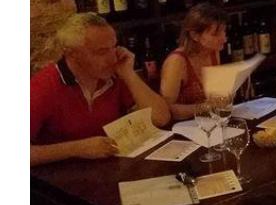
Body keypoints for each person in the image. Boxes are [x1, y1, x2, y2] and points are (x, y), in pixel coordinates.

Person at [30, 12, 171, 166]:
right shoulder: (44, 86)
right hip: (61, 175)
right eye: (101, 52)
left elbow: (161, 118)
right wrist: (76, 148)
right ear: (72, 54)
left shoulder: (115, 75)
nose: (113, 58)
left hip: (110, 169)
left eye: (114, 48)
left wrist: (128, 73)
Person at [160, 3, 228, 119]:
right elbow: (166, 110)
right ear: (195, 35)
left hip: (207, 121)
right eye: (215, 34)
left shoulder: (213, 51)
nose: (224, 38)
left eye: (224, 31)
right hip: (182, 125)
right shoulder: (176, 62)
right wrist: (207, 107)